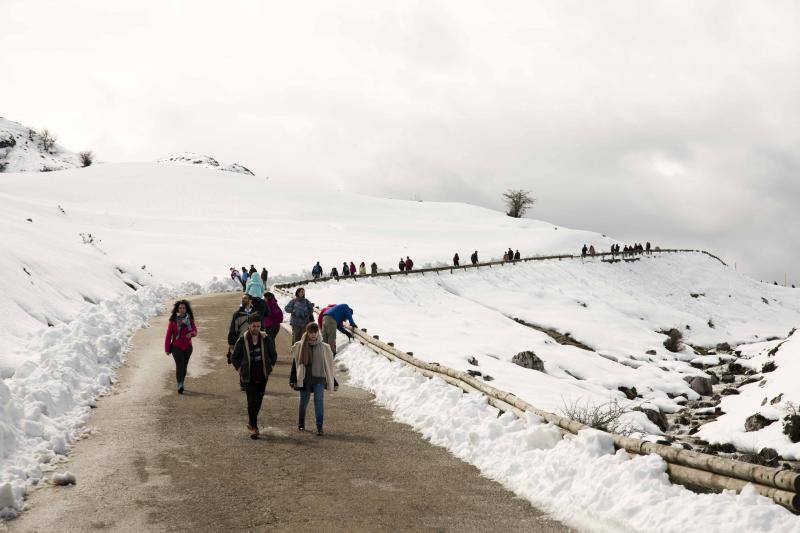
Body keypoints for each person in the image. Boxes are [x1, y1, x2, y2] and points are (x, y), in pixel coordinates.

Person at [231, 316, 277, 438]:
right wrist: (239, 369)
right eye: (254, 326)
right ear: (249, 326)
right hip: (248, 375)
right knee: (251, 401)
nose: (256, 328)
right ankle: (254, 426)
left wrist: (270, 367)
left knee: (259, 400)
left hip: (262, 375)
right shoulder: (242, 340)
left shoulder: (266, 339)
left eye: (258, 326)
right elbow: (234, 357)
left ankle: (252, 423)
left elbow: (274, 355)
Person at [290, 323, 337, 435]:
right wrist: (292, 379)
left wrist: (333, 381)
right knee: (303, 403)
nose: (313, 335)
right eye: (311, 332)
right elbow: (295, 364)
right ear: (307, 332)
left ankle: (319, 427)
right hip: (305, 379)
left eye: (315, 332)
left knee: (319, 403)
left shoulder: (324, 347)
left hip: (319, 380)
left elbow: (329, 366)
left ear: (318, 332)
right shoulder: (300, 345)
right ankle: (301, 424)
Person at [164, 299, 197, 394]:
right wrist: (167, 349)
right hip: (176, 347)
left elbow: (195, 331)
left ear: (186, 309)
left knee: (185, 365)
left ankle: (182, 381)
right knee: (180, 365)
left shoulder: (189, 320)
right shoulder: (173, 321)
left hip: (188, 347)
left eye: (183, 308)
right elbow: (168, 335)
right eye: (180, 308)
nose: (182, 309)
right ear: (177, 309)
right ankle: (179, 384)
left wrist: (191, 334)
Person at [227, 294, 258, 361]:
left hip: (253, 342)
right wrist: (231, 343)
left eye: (245, 298)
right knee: (242, 364)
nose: (243, 300)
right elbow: (232, 329)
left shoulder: (256, 314)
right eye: (242, 298)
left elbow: (261, 328)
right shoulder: (237, 314)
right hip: (241, 342)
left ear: (250, 300)